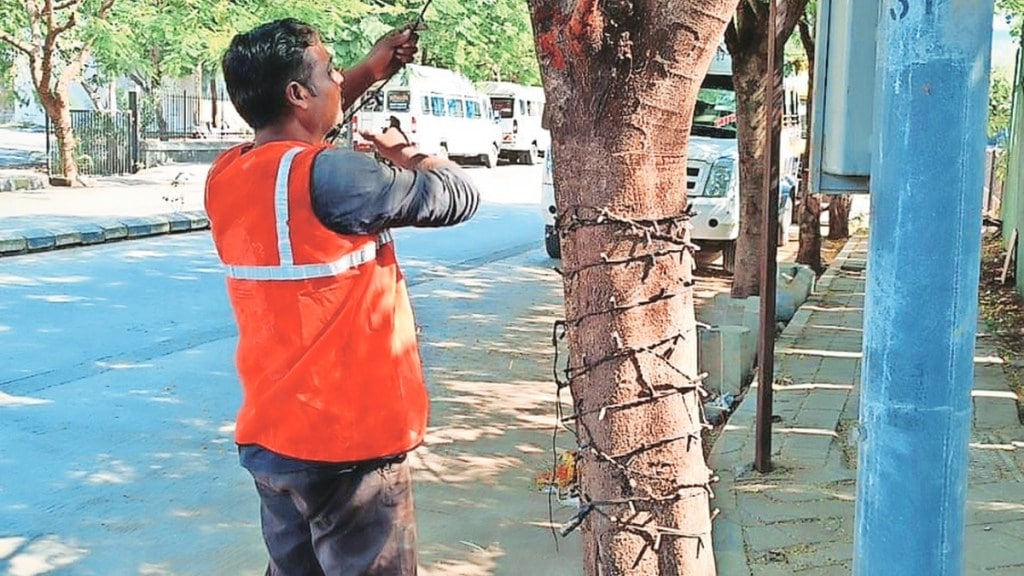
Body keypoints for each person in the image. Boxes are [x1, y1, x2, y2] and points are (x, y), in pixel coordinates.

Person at [205, 18, 480, 576]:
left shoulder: (228, 175)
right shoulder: (338, 178)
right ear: (298, 93)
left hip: (274, 444)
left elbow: (297, 124)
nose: (339, 80)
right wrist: (408, 155)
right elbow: (460, 196)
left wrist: (373, 68)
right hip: (350, 449)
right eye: (330, 72)